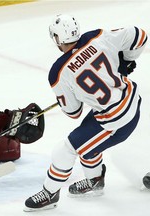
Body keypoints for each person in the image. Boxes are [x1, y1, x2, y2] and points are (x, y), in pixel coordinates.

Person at [24, 14, 148, 211]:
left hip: (115, 119)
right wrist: (127, 62)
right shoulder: (97, 36)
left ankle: (50, 193)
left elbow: (74, 112)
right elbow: (139, 35)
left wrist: (73, 94)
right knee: (86, 142)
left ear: (57, 39)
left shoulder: (58, 71)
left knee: (65, 150)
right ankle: (94, 180)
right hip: (131, 100)